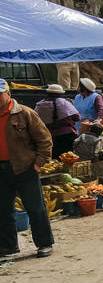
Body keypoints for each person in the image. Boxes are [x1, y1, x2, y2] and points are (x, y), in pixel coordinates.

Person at [0, 78, 54, 258]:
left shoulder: (24, 113)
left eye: (0, 94)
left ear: (8, 94)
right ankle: (8, 247)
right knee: (4, 210)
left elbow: (45, 141)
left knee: (35, 208)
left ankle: (44, 244)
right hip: (1, 170)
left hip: (25, 168)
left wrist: (37, 165)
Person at [34, 84, 79, 157]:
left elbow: (35, 119)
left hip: (48, 136)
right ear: (61, 94)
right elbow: (77, 117)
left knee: (52, 158)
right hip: (66, 136)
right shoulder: (64, 103)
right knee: (66, 158)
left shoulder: (40, 105)